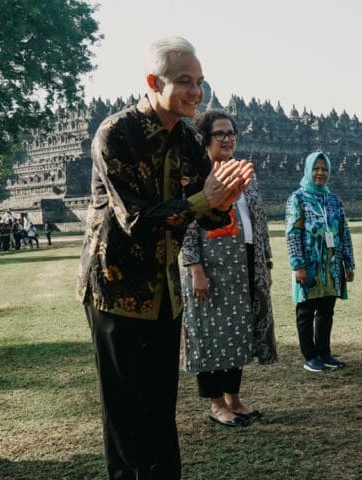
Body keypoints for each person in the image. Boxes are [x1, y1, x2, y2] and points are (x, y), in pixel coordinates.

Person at [77, 36, 253, 480]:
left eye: (201, 82)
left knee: (160, 408)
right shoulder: (117, 134)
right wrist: (202, 201)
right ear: (154, 82)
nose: (197, 91)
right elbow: (135, 221)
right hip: (116, 289)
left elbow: (206, 215)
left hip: (164, 293)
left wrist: (223, 200)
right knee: (126, 414)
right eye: (185, 81)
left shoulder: (189, 141)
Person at [179, 110, 277, 428]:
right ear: (205, 139)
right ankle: (216, 403)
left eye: (231, 133)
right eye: (219, 134)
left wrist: (266, 261)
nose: (227, 139)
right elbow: (187, 227)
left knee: (237, 331)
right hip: (211, 267)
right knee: (208, 333)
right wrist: (195, 268)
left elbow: (258, 221)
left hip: (245, 264)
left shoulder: (245, 174)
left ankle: (234, 399)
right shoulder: (197, 176)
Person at [286, 151, 355, 372]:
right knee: (306, 311)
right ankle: (310, 356)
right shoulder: (297, 198)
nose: (320, 173)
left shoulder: (333, 199)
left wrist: (349, 262)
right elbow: (292, 233)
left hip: (332, 265)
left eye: (324, 169)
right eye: (315, 168)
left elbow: (344, 232)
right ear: (308, 170)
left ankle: (324, 353)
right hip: (310, 265)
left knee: (327, 310)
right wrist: (298, 265)